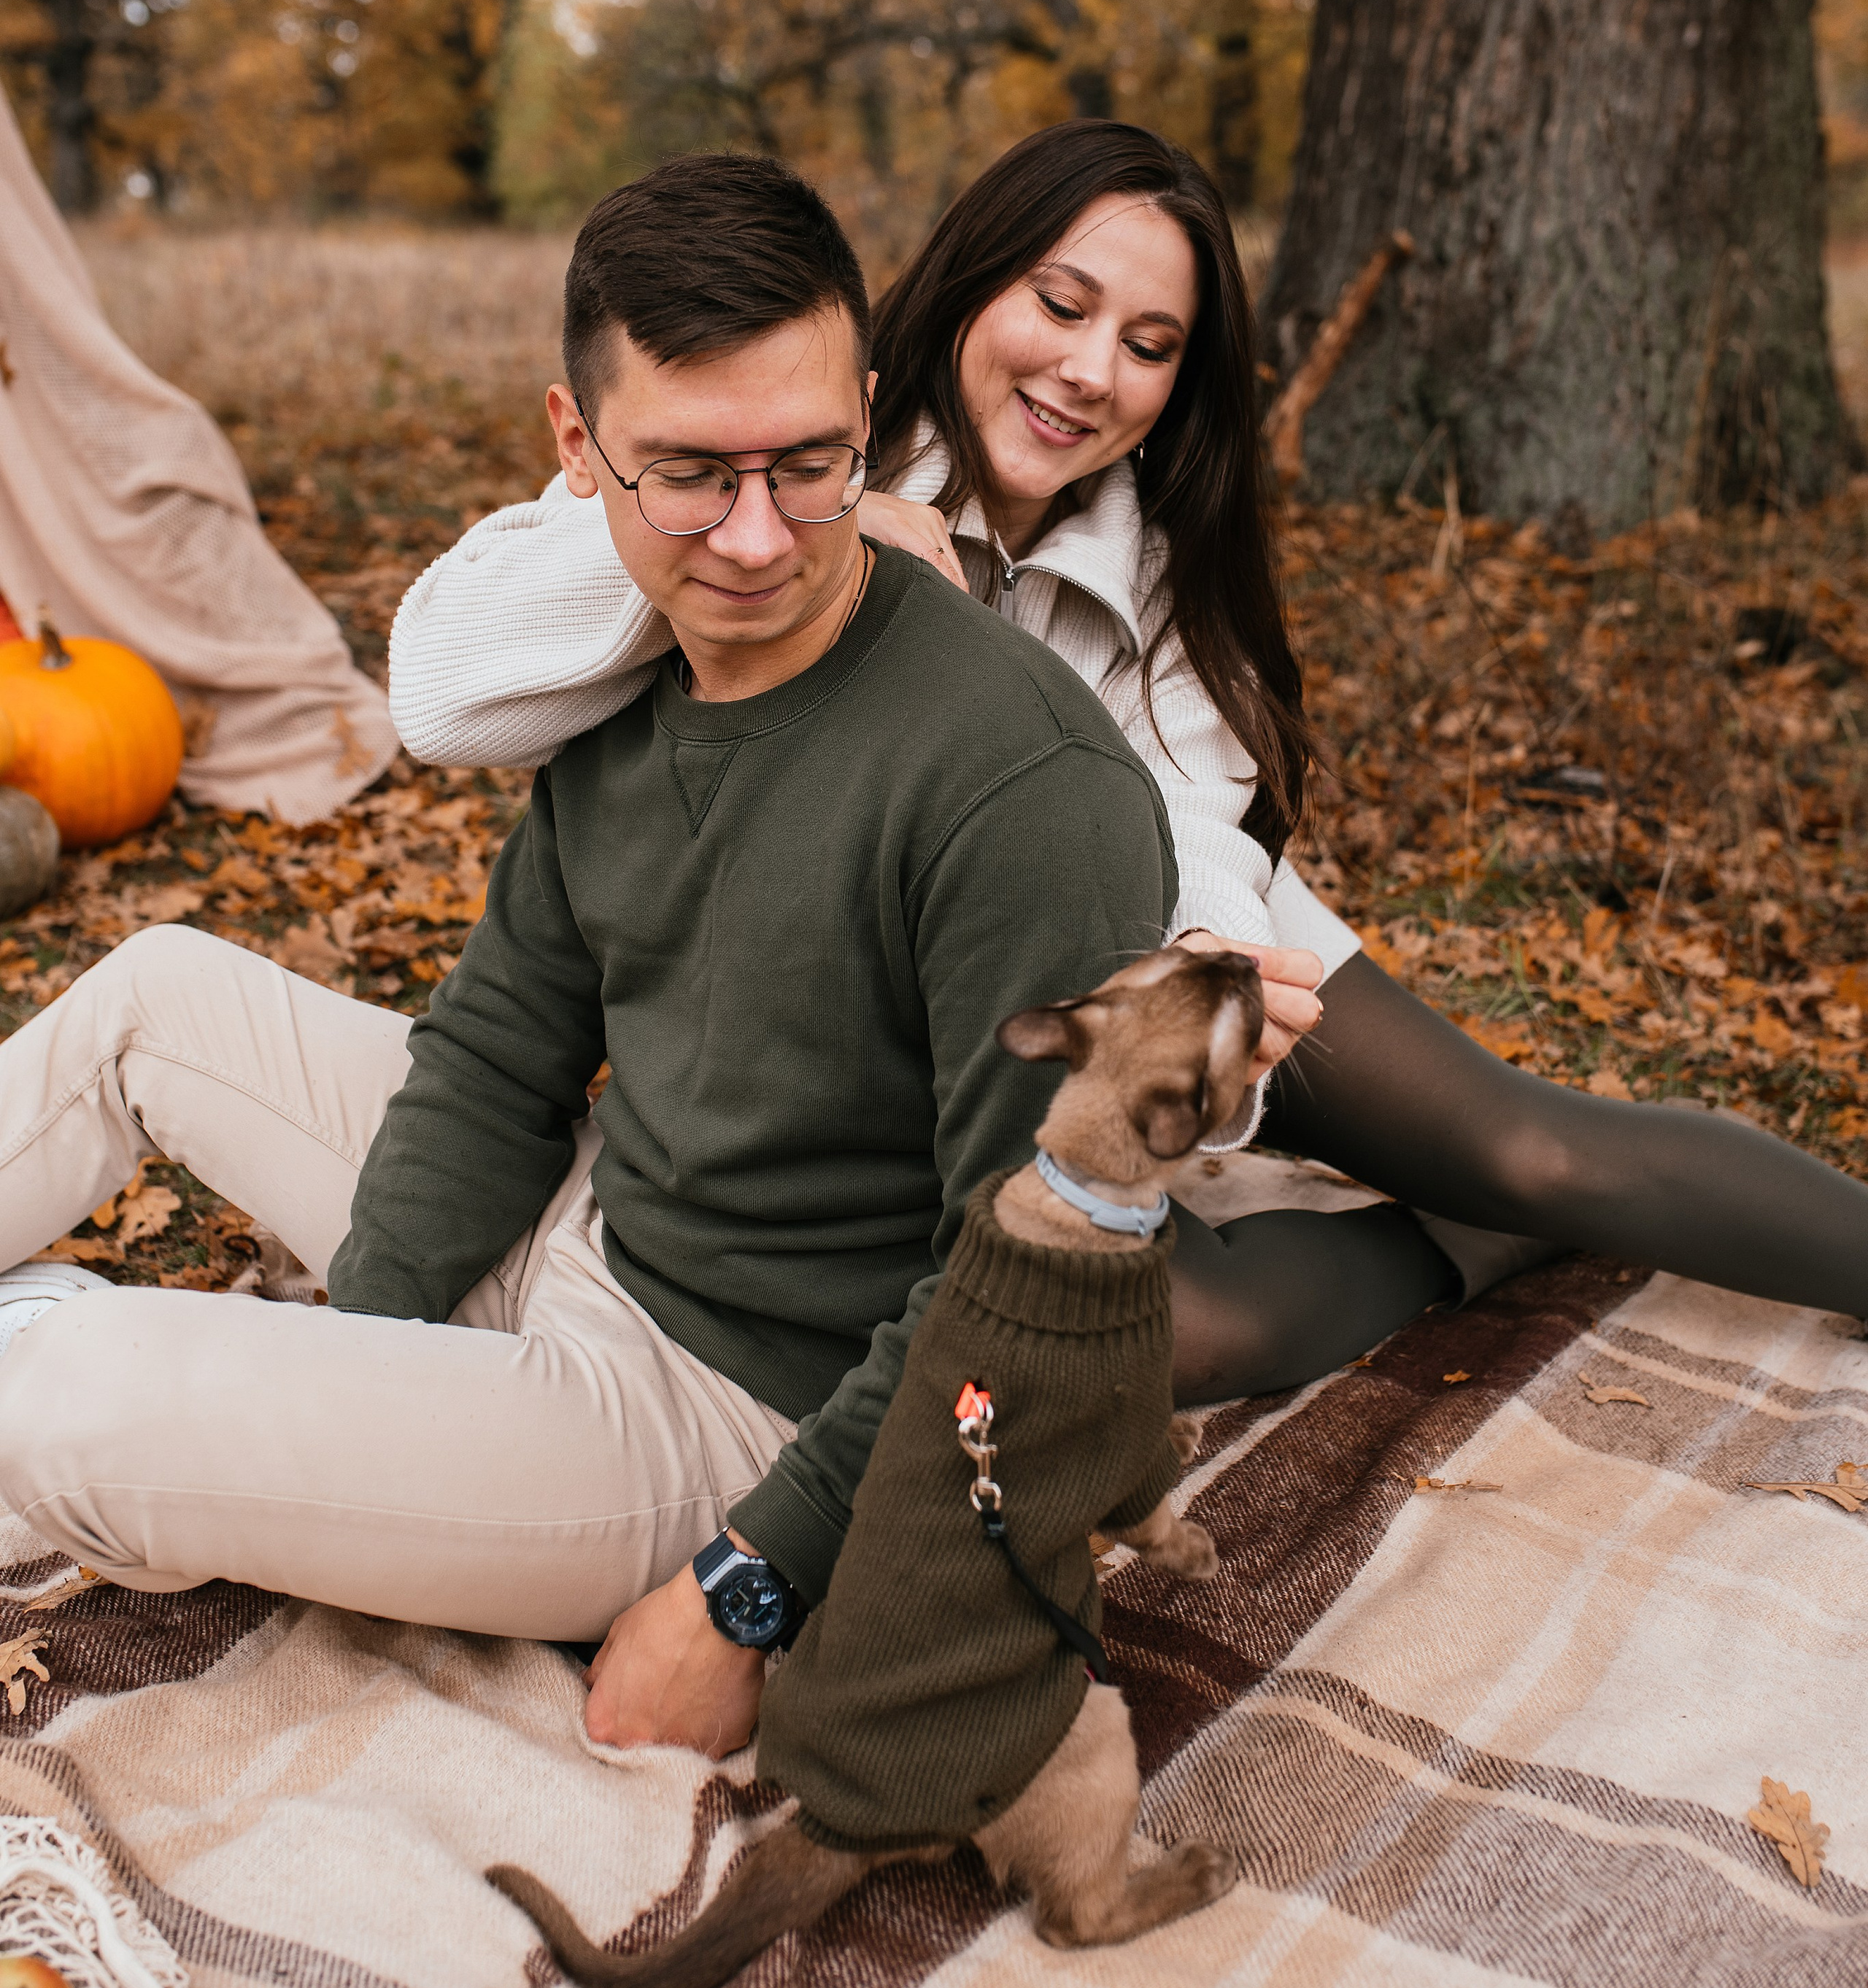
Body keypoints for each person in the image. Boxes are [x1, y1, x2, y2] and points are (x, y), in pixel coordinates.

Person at [0, 152, 1276, 1760]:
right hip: (597, 1218)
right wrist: (372, 1355)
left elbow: (1029, 1290)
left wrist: (748, 1582)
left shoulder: (1020, 787)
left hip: (736, 1409)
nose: (753, 540)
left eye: (810, 464)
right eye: (686, 473)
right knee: (157, 998)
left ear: (867, 411)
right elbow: (499, 1048)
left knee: (62, 1401)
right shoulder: (632, 668)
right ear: (576, 447)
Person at [393, 119, 1868, 1401]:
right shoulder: (759, 454)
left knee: (1532, 1148)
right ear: (973, 281)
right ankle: (1453, 1242)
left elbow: (1191, 838)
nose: (1091, 371)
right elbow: (442, 693)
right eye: (1061, 303)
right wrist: (850, 544)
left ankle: (1569, 1204)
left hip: (1147, 948)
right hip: (900, 1010)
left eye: (1150, 345)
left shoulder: (1150, 566)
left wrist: (1209, 977)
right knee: (1158, 1333)